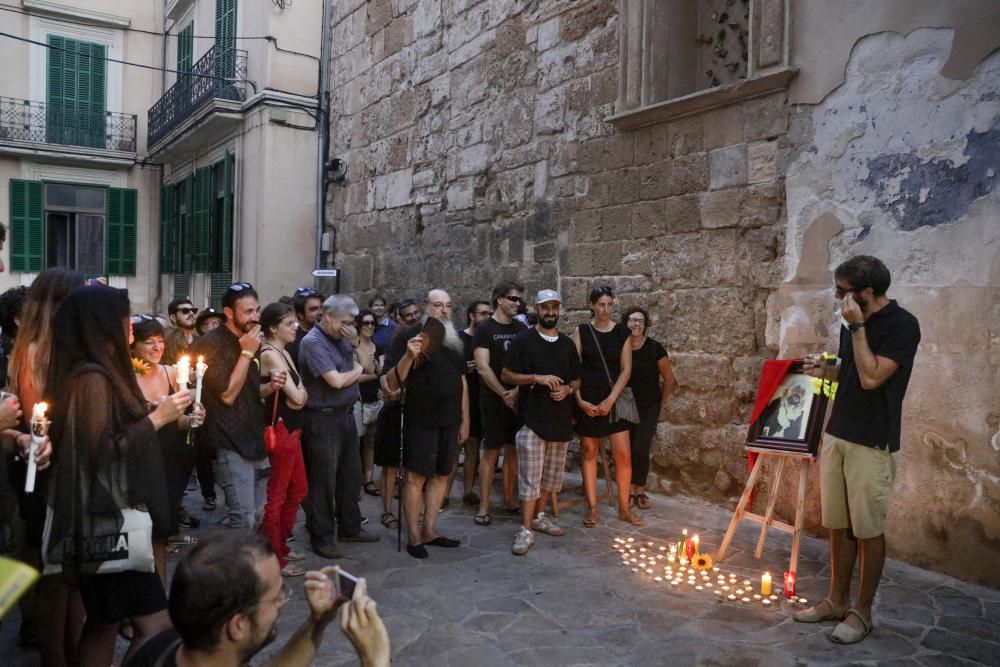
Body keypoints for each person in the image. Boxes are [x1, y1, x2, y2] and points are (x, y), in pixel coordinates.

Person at [43, 285, 193, 666]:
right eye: (124, 318)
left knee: (105, 624)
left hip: (105, 523)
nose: (131, 326)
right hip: (107, 526)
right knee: (154, 626)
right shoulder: (92, 378)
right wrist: (157, 418)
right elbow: (100, 451)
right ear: (102, 325)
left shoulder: (96, 373)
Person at [793, 256, 920, 645]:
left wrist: (859, 328)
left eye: (844, 290)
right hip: (840, 431)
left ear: (868, 293)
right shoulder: (852, 322)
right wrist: (828, 370)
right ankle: (835, 600)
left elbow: (871, 378)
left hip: (873, 440)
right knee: (837, 524)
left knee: (868, 530)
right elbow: (852, 371)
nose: (838, 297)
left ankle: (861, 612)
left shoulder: (903, 325)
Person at [124, 531, 390, 667]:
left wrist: (318, 621)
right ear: (237, 625)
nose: (282, 604)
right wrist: (375, 660)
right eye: (276, 598)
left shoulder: (169, 648)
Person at [6, 267, 86, 665]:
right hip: (48, 471)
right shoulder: (38, 351)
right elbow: (43, 420)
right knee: (57, 575)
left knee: (69, 576)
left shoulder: (50, 345)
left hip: (58, 470)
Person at [385, 289, 469, 559]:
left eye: (448, 305)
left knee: (443, 474)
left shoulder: (455, 340)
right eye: (437, 305)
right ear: (425, 307)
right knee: (415, 477)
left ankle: (430, 529)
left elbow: (462, 381)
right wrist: (409, 356)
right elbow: (390, 382)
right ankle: (413, 535)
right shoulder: (409, 337)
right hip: (421, 419)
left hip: (450, 419)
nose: (444, 310)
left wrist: (465, 419)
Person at [298, 295, 379, 560]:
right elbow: (336, 381)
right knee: (323, 480)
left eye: (352, 323)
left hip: (344, 415)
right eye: (345, 322)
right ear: (328, 317)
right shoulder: (313, 343)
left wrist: (356, 345)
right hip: (322, 418)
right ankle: (321, 536)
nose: (349, 327)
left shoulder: (346, 338)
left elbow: (369, 367)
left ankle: (349, 527)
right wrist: (356, 369)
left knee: (350, 476)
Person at [501, 290, 581, 555]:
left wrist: (568, 390)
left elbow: (577, 379)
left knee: (550, 478)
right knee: (530, 478)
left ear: (559, 310)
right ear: (536, 309)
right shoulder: (524, 340)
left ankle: (539, 516)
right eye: (545, 307)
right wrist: (536, 378)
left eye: (554, 307)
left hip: (559, 421)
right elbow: (507, 374)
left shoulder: (567, 344)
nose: (550, 312)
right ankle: (525, 530)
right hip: (531, 419)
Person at [190, 283, 273, 531]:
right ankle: (233, 568)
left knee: (258, 515)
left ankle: (243, 564)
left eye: (257, 310)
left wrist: (272, 386)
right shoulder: (212, 344)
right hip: (228, 440)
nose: (255, 317)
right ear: (228, 312)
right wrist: (247, 354)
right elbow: (227, 394)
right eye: (248, 312)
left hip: (254, 437)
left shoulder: (251, 339)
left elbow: (250, 389)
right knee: (243, 518)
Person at [130, 315, 206, 583]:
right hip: (138, 457)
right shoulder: (127, 376)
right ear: (134, 346)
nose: (156, 348)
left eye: (159, 342)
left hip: (169, 458)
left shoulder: (172, 372)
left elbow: (181, 423)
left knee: (161, 529)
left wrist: (193, 418)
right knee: (138, 530)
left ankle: (158, 592)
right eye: (148, 343)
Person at [571, 286, 642, 528]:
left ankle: (624, 507)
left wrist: (611, 399)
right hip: (589, 398)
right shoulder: (581, 332)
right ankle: (592, 507)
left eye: (610, 304)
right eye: (601, 304)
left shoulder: (622, 332)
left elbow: (626, 370)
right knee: (589, 452)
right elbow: (573, 369)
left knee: (623, 455)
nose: (606, 309)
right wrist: (579, 400)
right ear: (592, 305)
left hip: (615, 399)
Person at [257, 302, 310, 577]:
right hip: (281, 432)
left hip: (292, 431)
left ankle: (280, 544)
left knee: (298, 489)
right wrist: (299, 394)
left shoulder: (283, 352)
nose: (296, 327)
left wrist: (299, 394)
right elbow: (299, 396)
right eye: (289, 324)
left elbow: (302, 395)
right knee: (277, 495)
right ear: (273, 327)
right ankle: (273, 556)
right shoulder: (270, 354)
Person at [473, 281, 527, 526]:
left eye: (519, 300)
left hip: (516, 398)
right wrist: (503, 393)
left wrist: (516, 390)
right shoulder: (485, 329)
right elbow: (483, 368)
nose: (518, 303)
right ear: (500, 300)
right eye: (513, 299)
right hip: (493, 400)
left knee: (513, 451)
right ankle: (484, 505)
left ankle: (509, 498)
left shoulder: (520, 328)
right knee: (491, 451)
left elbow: (526, 363)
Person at [372, 298, 421, 529]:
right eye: (408, 315)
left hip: (416, 409)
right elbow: (385, 374)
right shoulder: (397, 340)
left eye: (415, 313)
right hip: (394, 410)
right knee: (390, 465)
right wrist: (390, 390)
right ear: (398, 318)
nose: (413, 317)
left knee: (412, 465)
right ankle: (387, 511)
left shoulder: (424, 337)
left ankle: (411, 510)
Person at [622, 306, 676, 510]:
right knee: (626, 449)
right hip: (626, 406)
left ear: (645, 326)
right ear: (625, 323)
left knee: (641, 448)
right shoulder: (621, 347)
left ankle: (640, 489)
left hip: (648, 406)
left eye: (640, 321)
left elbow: (669, 379)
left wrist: (661, 404)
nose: (636, 324)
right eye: (632, 320)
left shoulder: (655, 348)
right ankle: (628, 489)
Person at [451, 300, 491, 506]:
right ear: (472, 316)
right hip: (459, 399)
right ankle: (444, 494)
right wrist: (464, 368)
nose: (487, 317)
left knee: (474, 447)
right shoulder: (458, 339)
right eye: (483, 313)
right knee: (455, 447)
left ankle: (468, 491)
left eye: (489, 313)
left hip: (480, 399)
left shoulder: (488, 339)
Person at [354, 309, 383, 497]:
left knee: (371, 442)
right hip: (358, 399)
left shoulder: (377, 346)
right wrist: (375, 374)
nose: (370, 326)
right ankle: (354, 478)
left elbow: (381, 370)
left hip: (375, 398)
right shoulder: (352, 346)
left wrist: (377, 371)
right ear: (358, 325)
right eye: (366, 323)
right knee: (356, 441)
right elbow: (355, 375)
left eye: (373, 323)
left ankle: (368, 478)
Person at [287, 287, 324, 364]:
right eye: (314, 309)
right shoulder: (293, 341)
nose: (321, 312)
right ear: (300, 315)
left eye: (322, 307)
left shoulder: (331, 334)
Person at [163, 298, 198, 365]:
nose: (191, 313)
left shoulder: (200, 341)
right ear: (173, 317)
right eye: (185, 311)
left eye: (193, 310)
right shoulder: (164, 341)